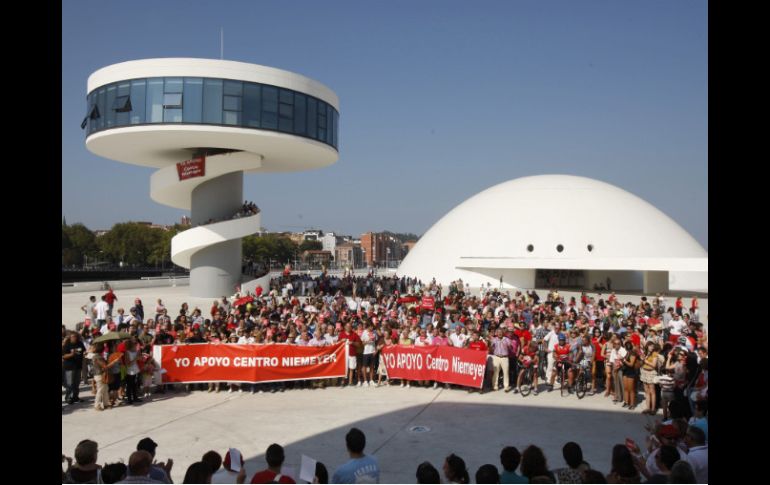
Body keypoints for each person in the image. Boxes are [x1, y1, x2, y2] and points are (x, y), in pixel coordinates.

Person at [62, 331, 86, 404]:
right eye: (73, 337)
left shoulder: (80, 343)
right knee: (69, 384)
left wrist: (85, 353)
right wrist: (72, 354)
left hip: (78, 366)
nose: (74, 338)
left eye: (76, 336)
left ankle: (75, 397)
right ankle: (68, 398)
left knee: (77, 383)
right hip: (69, 367)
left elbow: (84, 351)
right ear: (70, 337)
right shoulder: (67, 345)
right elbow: (64, 356)